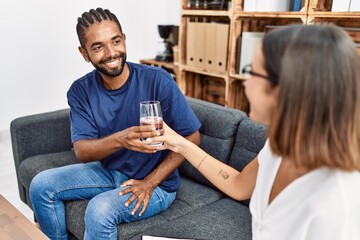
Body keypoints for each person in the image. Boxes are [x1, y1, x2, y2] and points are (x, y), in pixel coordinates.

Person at [150, 24, 360, 239]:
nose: (245, 84)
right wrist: (179, 143)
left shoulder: (338, 203)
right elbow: (238, 185)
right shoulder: (278, 147)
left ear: (286, 89)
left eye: (252, 72)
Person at [29, 7, 200, 240]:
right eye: (98, 47)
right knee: (41, 185)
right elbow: (82, 150)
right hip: (109, 171)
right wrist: (122, 139)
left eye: (116, 41)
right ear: (84, 53)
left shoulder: (157, 80)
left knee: (99, 211)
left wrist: (149, 183)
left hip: (157, 184)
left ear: (124, 40)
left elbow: (192, 137)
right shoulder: (80, 90)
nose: (111, 53)